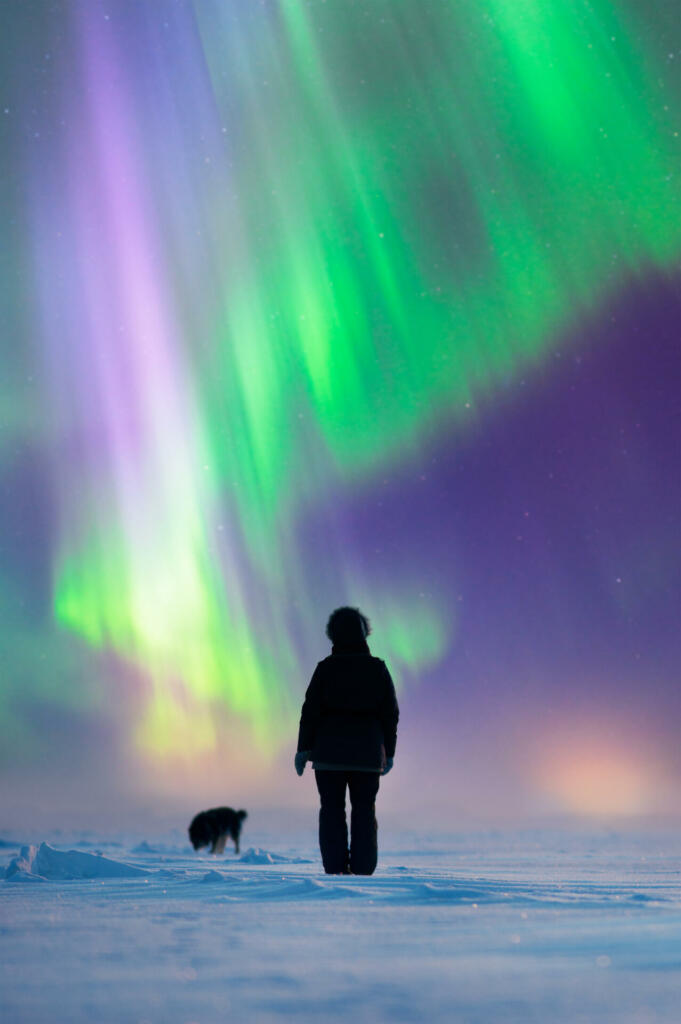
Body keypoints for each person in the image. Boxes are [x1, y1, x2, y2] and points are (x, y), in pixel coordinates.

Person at [295, 606, 399, 875]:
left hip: (328, 756)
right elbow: (390, 714)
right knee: (364, 811)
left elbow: (310, 711)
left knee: (331, 811)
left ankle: (335, 868)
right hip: (366, 756)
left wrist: (303, 749)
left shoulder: (325, 669)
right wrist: (389, 752)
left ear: (334, 635)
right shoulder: (378, 669)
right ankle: (363, 869)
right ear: (364, 634)